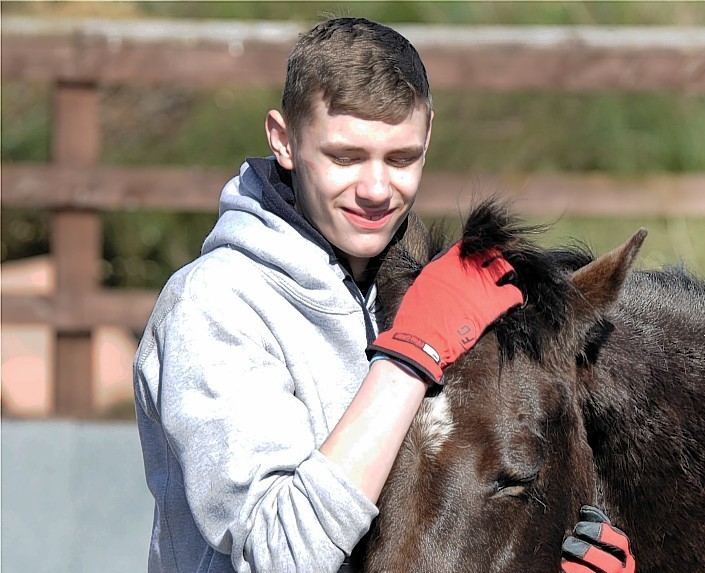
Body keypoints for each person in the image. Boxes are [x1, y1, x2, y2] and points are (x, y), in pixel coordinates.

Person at [134, 17, 635, 573]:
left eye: (401, 159)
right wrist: (409, 357)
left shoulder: (431, 286)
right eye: (345, 157)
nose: (376, 190)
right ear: (283, 140)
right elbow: (280, 554)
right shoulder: (213, 304)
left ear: (428, 136)